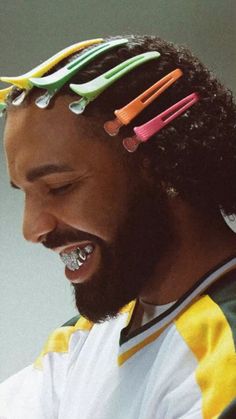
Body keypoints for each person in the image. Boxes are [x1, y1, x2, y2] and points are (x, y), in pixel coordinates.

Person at [0, 34, 236, 418]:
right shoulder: (80, 341)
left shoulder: (224, 351)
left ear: (161, 164)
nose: (32, 229)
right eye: (24, 193)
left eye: (59, 188)